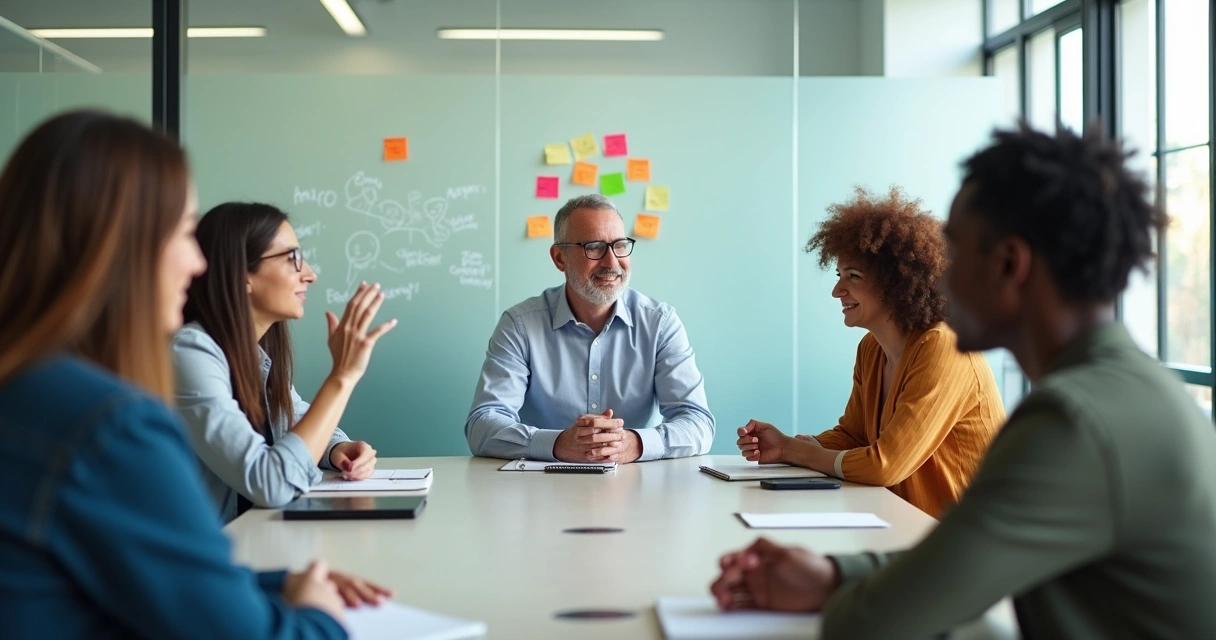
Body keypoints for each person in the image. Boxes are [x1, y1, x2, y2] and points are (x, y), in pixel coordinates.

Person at [711, 124, 1216, 639]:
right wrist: (834, 576)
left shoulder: (1072, 422)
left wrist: (838, 594)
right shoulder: (1120, 394)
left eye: (953, 252)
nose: (939, 277)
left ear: (1009, 263)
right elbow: (970, 555)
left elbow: (873, 624)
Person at [0, 109, 390, 638]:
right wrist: (320, 615)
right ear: (119, 245)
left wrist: (276, 585)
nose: (198, 263)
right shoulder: (111, 423)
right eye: (184, 232)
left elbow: (133, 574)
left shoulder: (32, 391)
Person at [736, 187, 1004, 517]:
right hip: (906, 524)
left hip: (966, 536)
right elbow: (854, 435)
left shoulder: (943, 347)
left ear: (896, 283)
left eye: (854, 276)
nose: (837, 290)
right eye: (839, 275)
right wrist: (789, 445)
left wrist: (794, 451)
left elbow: (884, 465)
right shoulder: (871, 349)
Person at [173, 202, 395, 524]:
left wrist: (336, 449)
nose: (310, 275)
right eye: (293, 259)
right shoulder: (189, 353)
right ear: (241, 274)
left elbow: (293, 415)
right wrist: (342, 377)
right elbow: (271, 483)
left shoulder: (252, 353)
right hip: (212, 549)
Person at [465, 194, 714, 463]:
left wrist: (634, 444)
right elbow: (482, 425)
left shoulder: (660, 323)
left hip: (636, 483)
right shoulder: (520, 325)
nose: (612, 262)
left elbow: (697, 422)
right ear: (559, 258)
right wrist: (557, 444)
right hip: (543, 485)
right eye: (594, 247)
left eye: (619, 245)